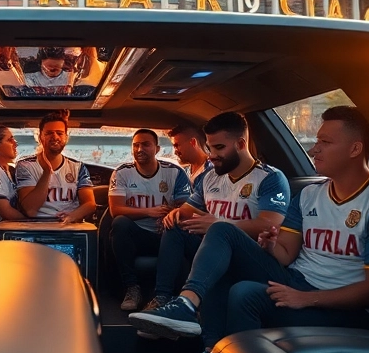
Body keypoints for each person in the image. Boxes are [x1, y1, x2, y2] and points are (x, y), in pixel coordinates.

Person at [135, 106, 369, 353]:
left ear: (354, 149)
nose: (314, 150)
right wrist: (271, 247)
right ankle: (196, 324)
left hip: (341, 307)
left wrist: (306, 299)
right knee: (223, 234)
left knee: (243, 291)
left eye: (325, 143)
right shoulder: (310, 194)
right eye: (317, 142)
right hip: (295, 280)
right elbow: (286, 254)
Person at [138, 112, 288, 312]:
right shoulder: (210, 177)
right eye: (209, 147)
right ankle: (162, 298)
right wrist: (177, 214)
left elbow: (269, 224)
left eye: (219, 148)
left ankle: (188, 305)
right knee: (175, 229)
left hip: (250, 254)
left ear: (241, 145)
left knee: (219, 229)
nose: (211, 155)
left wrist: (219, 223)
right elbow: (188, 209)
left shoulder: (270, 178)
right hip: (212, 248)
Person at [109, 129, 192, 311]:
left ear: (157, 148)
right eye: (136, 145)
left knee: (176, 228)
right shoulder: (122, 173)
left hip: (166, 235)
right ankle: (132, 288)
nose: (140, 149)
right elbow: (116, 210)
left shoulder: (175, 173)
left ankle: (163, 296)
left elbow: (186, 209)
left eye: (145, 144)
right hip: (137, 234)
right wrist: (149, 211)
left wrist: (170, 214)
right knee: (120, 223)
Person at [15, 111, 96, 224]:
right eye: (49, 133)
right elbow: (30, 210)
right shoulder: (25, 165)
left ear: (66, 138)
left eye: (60, 133)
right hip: (36, 224)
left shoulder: (78, 167)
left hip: (68, 225)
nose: (55, 137)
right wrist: (47, 172)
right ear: (40, 137)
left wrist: (72, 216)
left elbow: (90, 204)